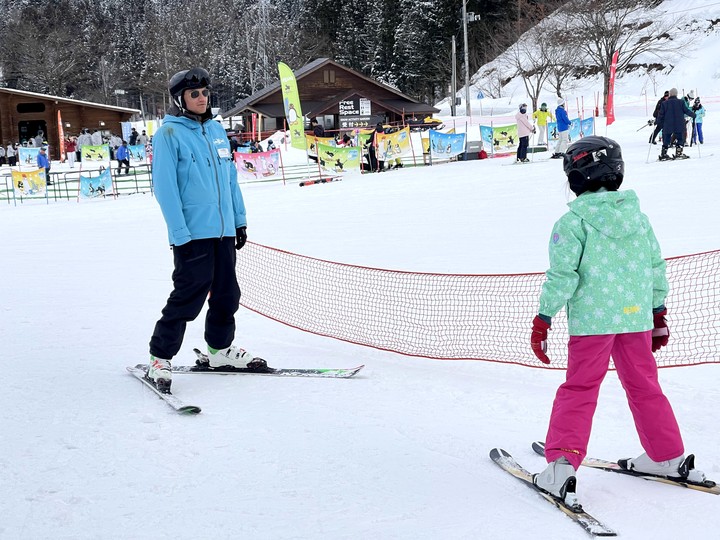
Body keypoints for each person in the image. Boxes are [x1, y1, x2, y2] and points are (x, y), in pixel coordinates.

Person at [530, 136, 706, 509]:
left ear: (577, 176)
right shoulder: (638, 218)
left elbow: (563, 276)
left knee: (580, 389)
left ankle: (561, 465)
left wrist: (544, 317)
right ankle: (667, 455)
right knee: (644, 386)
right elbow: (654, 266)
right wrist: (657, 313)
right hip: (634, 319)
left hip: (594, 323)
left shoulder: (573, 221)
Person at [147, 67, 255, 393]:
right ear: (180, 99)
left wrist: (239, 220)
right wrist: (179, 233)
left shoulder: (217, 131)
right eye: (194, 94)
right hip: (193, 234)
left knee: (227, 294)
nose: (202, 98)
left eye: (205, 92)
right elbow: (165, 188)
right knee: (188, 297)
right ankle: (160, 357)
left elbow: (231, 181)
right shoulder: (168, 134)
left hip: (222, 231)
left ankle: (220, 351)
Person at [657, 87, 695, 160]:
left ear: (670, 94)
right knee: (680, 139)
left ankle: (664, 154)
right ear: (676, 94)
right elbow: (686, 111)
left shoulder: (665, 103)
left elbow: (661, 114)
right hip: (679, 124)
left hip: (668, 125)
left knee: (666, 140)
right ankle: (678, 153)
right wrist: (693, 115)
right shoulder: (681, 102)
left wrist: (658, 121)